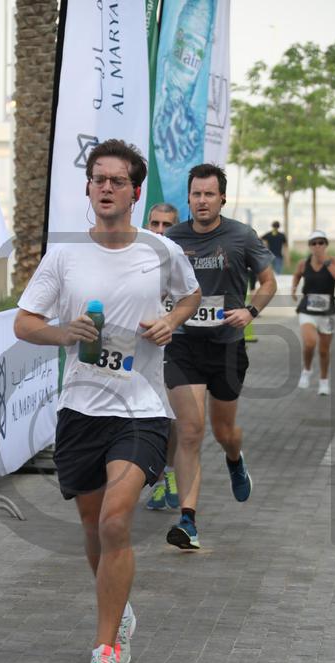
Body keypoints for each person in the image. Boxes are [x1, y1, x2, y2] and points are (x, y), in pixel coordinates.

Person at [14, 139, 200, 663]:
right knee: (94, 528)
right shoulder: (65, 256)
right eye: (99, 179)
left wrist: (171, 322)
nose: (107, 187)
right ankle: (119, 609)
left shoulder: (161, 251)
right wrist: (62, 332)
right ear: (89, 187)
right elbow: (24, 322)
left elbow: (189, 297)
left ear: (135, 192)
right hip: (81, 409)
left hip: (140, 409)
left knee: (116, 521)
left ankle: (105, 652)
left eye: (118, 180)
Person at [163, 163, 277, 550]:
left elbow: (268, 282)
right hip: (183, 345)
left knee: (223, 431)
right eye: (196, 194)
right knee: (190, 431)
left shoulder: (241, 236)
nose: (202, 201)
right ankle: (188, 521)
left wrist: (250, 311)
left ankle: (234, 458)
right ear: (189, 198)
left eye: (209, 194)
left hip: (227, 346)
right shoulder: (173, 239)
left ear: (222, 198)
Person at [144, 202, 181, 511]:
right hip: (143, 350)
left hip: (178, 349)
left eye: (167, 225)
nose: (160, 231)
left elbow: (196, 300)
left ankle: (168, 472)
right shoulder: (137, 258)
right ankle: (156, 479)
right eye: (155, 224)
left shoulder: (182, 259)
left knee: (172, 417)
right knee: (148, 417)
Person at [291, 230, 335, 395]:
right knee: (310, 343)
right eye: (314, 243)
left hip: (327, 312)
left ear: (326, 244)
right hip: (307, 310)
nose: (317, 246)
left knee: (324, 350)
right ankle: (307, 370)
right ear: (310, 246)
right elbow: (297, 275)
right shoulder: (303, 263)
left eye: (321, 242)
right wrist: (294, 288)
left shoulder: (332, 261)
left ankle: (324, 381)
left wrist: (326, 262)